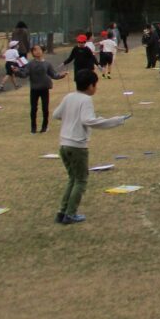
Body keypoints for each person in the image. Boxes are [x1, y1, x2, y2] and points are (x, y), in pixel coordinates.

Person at [52, 69, 129, 223]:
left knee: (73, 179)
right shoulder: (86, 100)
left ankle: (62, 212)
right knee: (80, 180)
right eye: (95, 85)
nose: (96, 88)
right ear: (90, 86)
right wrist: (116, 120)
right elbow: (89, 120)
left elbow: (56, 114)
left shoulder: (69, 97)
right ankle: (70, 214)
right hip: (77, 146)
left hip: (64, 145)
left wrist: (71, 118)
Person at [19, 45, 67, 133]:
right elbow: (24, 74)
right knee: (33, 109)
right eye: (35, 50)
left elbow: (53, 75)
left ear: (42, 51)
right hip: (34, 89)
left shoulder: (47, 64)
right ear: (32, 52)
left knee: (45, 108)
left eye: (39, 50)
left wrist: (61, 75)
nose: (37, 51)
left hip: (44, 88)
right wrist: (17, 71)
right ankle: (33, 128)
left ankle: (44, 127)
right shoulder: (30, 64)